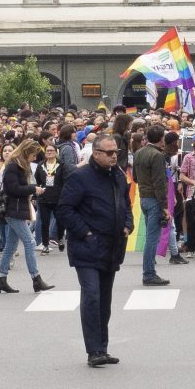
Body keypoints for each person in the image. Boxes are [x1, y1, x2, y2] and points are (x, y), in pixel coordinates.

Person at [58, 131, 132, 367]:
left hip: (112, 247)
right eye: (109, 153)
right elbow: (65, 209)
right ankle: (93, 350)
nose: (113, 157)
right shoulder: (80, 177)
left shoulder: (118, 176)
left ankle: (102, 347)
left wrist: (128, 224)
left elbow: (126, 204)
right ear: (96, 153)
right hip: (87, 247)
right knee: (91, 296)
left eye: (116, 152)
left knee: (104, 300)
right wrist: (85, 233)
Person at [0, 140, 53, 294]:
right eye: (33, 155)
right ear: (27, 152)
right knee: (29, 241)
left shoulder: (18, 164)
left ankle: (1, 279)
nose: (34, 158)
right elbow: (13, 189)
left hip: (16, 208)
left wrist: (32, 189)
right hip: (13, 209)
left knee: (10, 246)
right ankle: (36, 279)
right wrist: (33, 188)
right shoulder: (14, 165)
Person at [131, 124, 170, 286]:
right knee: (152, 239)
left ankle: (149, 269)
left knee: (150, 237)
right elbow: (160, 183)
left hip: (144, 197)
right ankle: (149, 273)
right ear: (161, 139)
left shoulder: (139, 152)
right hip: (154, 199)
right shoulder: (157, 155)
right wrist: (165, 206)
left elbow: (135, 177)